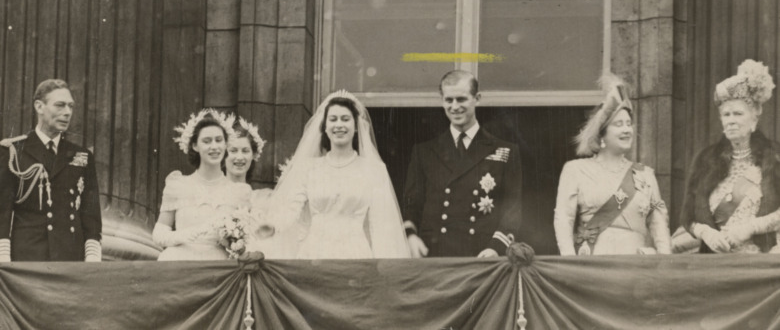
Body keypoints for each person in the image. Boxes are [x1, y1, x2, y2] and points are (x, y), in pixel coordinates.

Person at [257, 90, 410, 259]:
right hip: (314, 253)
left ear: (356, 126)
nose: (339, 125)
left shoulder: (373, 170)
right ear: (325, 127)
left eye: (345, 119)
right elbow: (290, 208)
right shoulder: (309, 168)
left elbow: (380, 223)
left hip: (356, 253)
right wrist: (273, 225)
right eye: (333, 119)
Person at [403, 70, 523, 258]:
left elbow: (512, 209)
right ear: (441, 100)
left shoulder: (505, 151)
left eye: (461, 99)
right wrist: (410, 236)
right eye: (448, 100)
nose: (455, 107)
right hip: (435, 254)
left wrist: (495, 247)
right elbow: (412, 205)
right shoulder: (424, 152)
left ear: (477, 98)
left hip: (482, 255)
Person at [553, 74, 671, 256]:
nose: (627, 130)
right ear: (602, 135)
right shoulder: (575, 170)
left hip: (636, 267)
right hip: (594, 263)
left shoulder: (645, 175)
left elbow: (659, 224)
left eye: (629, 124)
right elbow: (563, 219)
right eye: (618, 124)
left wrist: (664, 264)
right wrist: (571, 263)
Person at [681, 59, 780, 253]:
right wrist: (706, 233)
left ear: (754, 118)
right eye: (726, 115)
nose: (731, 121)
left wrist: (751, 227)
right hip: (714, 264)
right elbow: (688, 218)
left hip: (759, 263)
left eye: (738, 113)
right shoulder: (705, 160)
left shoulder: (775, 158)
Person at [0, 79, 102, 262]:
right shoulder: (13, 151)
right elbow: (3, 211)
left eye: (70, 106)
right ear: (39, 107)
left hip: (71, 259)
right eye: (60, 106)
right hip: (27, 260)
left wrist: (92, 259)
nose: (67, 112)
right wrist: (3, 259)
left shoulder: (82, 156)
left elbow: (91, 215)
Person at [152, 109, 252, 260]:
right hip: (180, 262)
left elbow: (248, 241)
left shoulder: (239, 192)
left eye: (219, 140)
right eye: (207, 141)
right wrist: (187, 235)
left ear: (226, 145)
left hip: (221, 268)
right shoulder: (178, 185)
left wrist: (232, 242)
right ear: (195, 146)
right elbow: (159, 233)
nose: (214, 147)